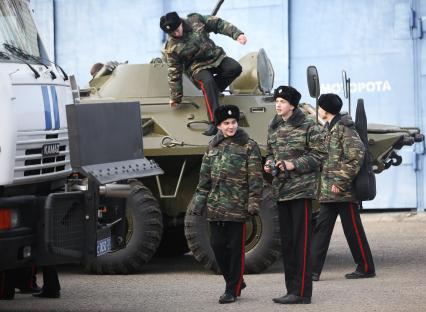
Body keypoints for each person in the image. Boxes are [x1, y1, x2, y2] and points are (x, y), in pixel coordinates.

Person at [190, 105, 263, 304]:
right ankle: (235, 279)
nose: (231, 127)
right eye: (226, 123)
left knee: (236, 250)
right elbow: (204, 179)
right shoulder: (212, 146)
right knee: (217, 246)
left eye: (233, 123)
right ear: (219, 126)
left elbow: (256, 179)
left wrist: (253, 203)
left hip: (238, 206)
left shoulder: (249, 145)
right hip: (216, 206)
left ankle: (231, 289)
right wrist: (199, 203)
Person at [264, 86, 326, 304]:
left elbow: (320, 155)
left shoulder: (309, 125)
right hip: (281, 191)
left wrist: (293, 164)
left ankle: (302, 292)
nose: (278, 104)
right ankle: (292, 290)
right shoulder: (274, 124)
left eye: (282, 101)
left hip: (301, 191)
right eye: (276, 101)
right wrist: (270, 163)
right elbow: (270, 151)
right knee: (288, 244)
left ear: (292, 104)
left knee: (301, 243)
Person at [311, 93, 376, 281]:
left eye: (319, 107)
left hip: (342, 191)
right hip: (329, 191)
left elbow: (356, 155)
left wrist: (339, 182)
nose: (318, 110)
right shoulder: (329, 127)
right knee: (321, 230)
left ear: (325, 109)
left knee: (353, 230)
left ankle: (366, 267)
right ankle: (313, 271)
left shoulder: (344, 128)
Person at [159, 11, 247, 136]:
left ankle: (211, 91)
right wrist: (175, 97)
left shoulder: (195, 19)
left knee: (235, 68)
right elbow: (174, 72)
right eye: (172, 32)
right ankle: (215, 121)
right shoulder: (172, 46)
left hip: (215, 58)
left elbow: (218, 24)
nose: (177, 33)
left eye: (177, 29)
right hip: (196, 67)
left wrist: (237, 34)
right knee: (207, 81)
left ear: (181, 23)